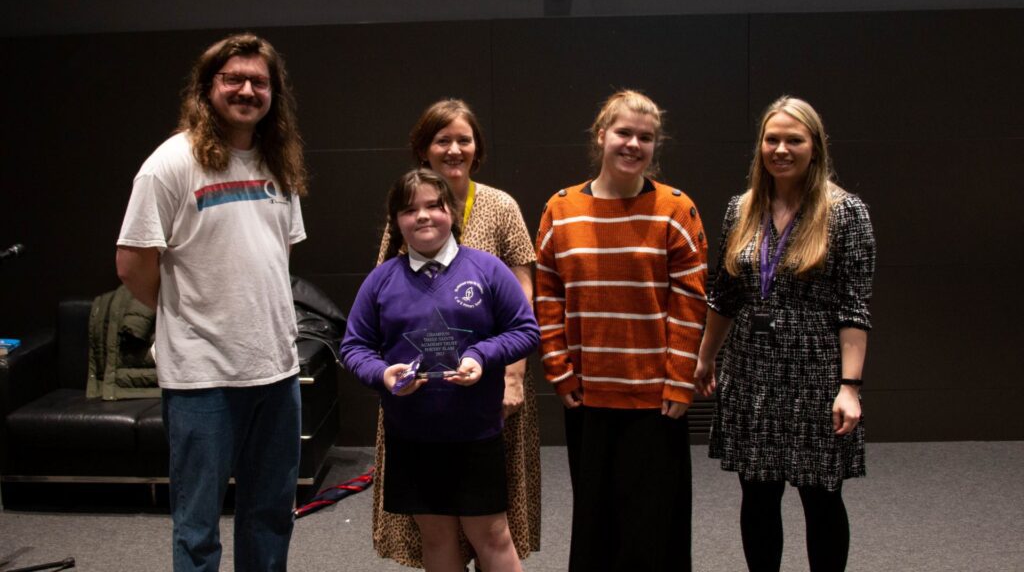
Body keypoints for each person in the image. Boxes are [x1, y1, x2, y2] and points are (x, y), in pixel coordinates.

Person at [115, 33, 308, 571]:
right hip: (203, 379)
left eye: (259, 82)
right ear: (207, 88)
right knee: (198, 528)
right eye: (233, 79)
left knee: (270, 516)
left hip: (275, 370)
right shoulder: (171, 163)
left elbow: (275, 258)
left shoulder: (279, 163)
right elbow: (132, 264)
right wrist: (187, 314)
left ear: (273, 93)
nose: (247, 90)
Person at [694, 96, 876, 572]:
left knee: (820, 496)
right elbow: (724, 296)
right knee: (757, 494)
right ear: (760, 147)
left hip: (816, 375)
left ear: (815, 147)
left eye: (794, 140)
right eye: (772, 139)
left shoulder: (845, 213)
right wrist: (705, 358)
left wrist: (850, 388)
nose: (781, 149)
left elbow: (853, 309)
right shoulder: (741, 209)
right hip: (751, 370)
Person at [535, 90, 707, 571]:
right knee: (596, 525)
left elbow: (689, 305)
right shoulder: (561, 208)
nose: (634, 144)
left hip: (655, 401)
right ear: (601, 136)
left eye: (645, 137)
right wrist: (559, 370)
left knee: (654, 528)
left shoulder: (676, 209)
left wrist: (679, 380)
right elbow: (548, 297)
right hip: (588, 397)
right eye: (624, 133)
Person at [341, 168, 540, 572]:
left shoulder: (485, 269)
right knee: (436, 536)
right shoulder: (382, 280)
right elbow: (354, 347)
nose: (423, 216)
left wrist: (482, 355)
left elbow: (525, 331)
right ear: (396, 221)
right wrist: (383, 375)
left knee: (492, 535)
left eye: (434, 205)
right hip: (411, 435)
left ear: (451, 211)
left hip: (475, 431)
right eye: (410, 209)